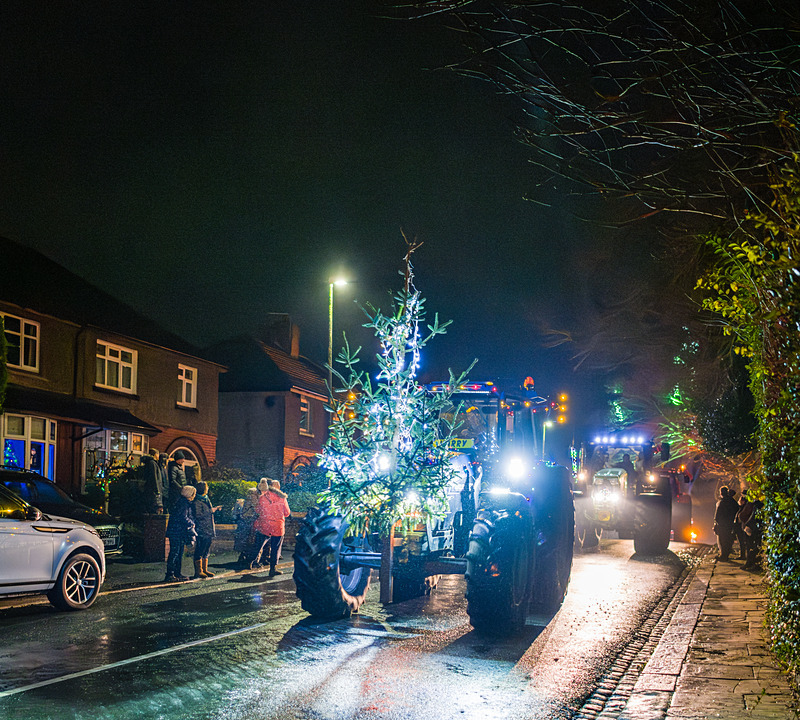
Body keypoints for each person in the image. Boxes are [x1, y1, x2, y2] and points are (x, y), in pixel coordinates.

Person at [250, 478, 291, 576]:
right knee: (275, 548)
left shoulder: (262, 498)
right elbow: (287, 513)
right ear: (279, 488)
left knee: (258, 545)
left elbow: (258, 510)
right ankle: (272, 568)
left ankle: (250, 561)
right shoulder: (282, 498)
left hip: (264, 525)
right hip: (278, 527)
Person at [165, 484, 197, 582]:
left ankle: (175, 573)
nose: (194, 496)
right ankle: (171, 574)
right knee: (176, 553)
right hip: (177, 531)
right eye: (193, 494)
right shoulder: (184, 503)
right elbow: (183, 517)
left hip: (175, 531)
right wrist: (191, 523)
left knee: (177, 552)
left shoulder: (180, 502)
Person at [191, 481, 221, 579]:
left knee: (206, 549)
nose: (207, 489)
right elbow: (198, 515)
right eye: (206, 487)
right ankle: (198, 571)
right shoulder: (197, 501)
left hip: (208, 528)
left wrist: (213, 510)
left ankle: (204, 569)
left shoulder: (206, 499)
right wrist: (211, 510)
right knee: (200, 549)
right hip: (202, 528)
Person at [233, 487, 259, 566]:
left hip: (244, 522)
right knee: (251, 540)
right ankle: (249, 559)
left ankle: (243, 556)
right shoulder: (253, 500)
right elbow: (256, 511)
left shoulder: (246, 500)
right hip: (250, 522)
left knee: (245, 540)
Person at [713, 486, 739, 561]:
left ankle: (723, 556)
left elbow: (717, 515)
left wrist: (716, 523)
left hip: (722, 525)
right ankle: (725, 555)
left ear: (721, 493)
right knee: (727, 540)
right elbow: (736, 509)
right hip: (730, 524)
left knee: (722, 540)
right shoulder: (732, 501)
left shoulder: (721, 502)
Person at [140, 448, 164, 514]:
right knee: (153, 510)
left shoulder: (151, 463)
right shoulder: (152, 463)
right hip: (153, 491)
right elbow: (154, 477)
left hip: (151, 491)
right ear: (155, 454)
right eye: (158, 454)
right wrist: (157, 490)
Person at [743, 499, 764, 570]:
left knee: (753, 547)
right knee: (753, 547)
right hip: (755, 528)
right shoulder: (758, 505)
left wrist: (747, 525)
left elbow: (753, 518)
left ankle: (751, 563)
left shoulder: (757, 505)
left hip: (755, 529)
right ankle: (751, 563)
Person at [734, 495, 752, 560]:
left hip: (742, 526)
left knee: (743, 542)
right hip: (740, 526)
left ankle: (744, 556)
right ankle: (743, 555)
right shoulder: (741, 507)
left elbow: (741, 516)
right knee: (742, 542)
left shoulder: (744, 507)